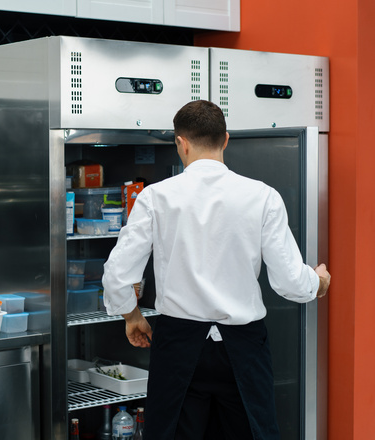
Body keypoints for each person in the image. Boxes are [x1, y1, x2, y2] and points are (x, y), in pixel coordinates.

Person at [101, 100, 330, 440]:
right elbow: (290, 282)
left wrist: (131, 317)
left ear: (181, 143)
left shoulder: (155, 197)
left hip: (178, 345)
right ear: (225, 140)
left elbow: (118, 274)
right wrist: (319, 282)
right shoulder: (263, 196)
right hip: (244, 347)